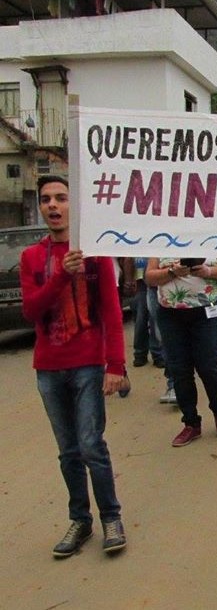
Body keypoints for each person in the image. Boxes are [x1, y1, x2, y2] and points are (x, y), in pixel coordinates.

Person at [20, 175, 127, 558]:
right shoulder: (32, 257)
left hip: (87, 364)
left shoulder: (96, 252)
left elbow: (112, 313)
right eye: (47, 199)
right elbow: (31, 309)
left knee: (91, 445)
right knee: (68, 451)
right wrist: (62, 272)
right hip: (48, 368)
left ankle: (111, 517)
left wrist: (115, 364)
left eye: (61, 198)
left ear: (73, 205)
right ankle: (80, 520)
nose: (53, 205)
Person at [146, 256, 217, 446]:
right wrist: (172, 272)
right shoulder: (160, 237)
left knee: (208, 366)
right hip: (171, 314)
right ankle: (191, 422)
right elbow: (149, 277)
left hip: (207, 312)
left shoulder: (210, 234)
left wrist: (208, 272)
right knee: (179, 369)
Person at [122, 257, 164, 368]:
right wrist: (129, 279)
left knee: (155, 317)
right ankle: (140, 354)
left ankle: (158, 354)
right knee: (141, 317)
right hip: (139, 280)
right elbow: (128, 257)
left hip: (158, 277)